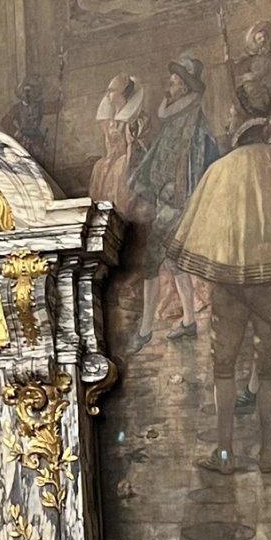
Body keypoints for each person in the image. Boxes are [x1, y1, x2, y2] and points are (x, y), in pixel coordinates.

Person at [170, 119, 271, 473]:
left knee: (224, 369)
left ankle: (224, 454)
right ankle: (267, 454)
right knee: (267, 372)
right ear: (263, 135)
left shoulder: (220, 170)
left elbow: (197, 228)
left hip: (229, 284)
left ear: (237, 139)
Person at [129, 54, 218, 347]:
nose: (170, 85)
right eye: (171, 80)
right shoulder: (174, 117)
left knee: (153, 261)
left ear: (186, 88)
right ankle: (189, 321)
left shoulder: (194, 123)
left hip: (181, 202)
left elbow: (201, 161)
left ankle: (144, 330)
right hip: (168, 200)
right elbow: (161, 156)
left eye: (176, 82)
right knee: (174, 261)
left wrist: (180, 189)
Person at [88, 78, 145, 217]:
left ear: (123, 94)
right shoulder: (110, 121)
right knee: (99, 167)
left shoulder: (134, 120)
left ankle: (120, 214)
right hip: (111, 161)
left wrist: (127, 163)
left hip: (126, 162)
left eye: (112, 90)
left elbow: (134, 148)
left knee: (120, 169)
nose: (107, 94)